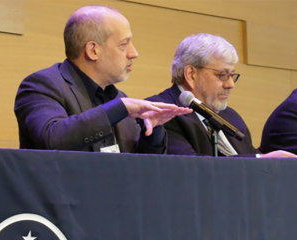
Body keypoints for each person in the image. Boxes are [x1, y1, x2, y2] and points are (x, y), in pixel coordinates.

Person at [14, 5, 191, 153]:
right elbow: (52, 138)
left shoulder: (118, 98)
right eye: (124, 44)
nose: (134, 53)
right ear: (93, 51)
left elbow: (138, 166)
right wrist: (118, 109)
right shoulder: (42, 86)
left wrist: (153, 132)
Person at [146, 33, 296, 158]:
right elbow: (189, 166)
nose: (231, 84)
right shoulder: (161, 111)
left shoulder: (230, 116)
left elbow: (248, 155)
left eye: (232, 75)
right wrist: (260, 160)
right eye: (223, 75)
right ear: (191, 74)